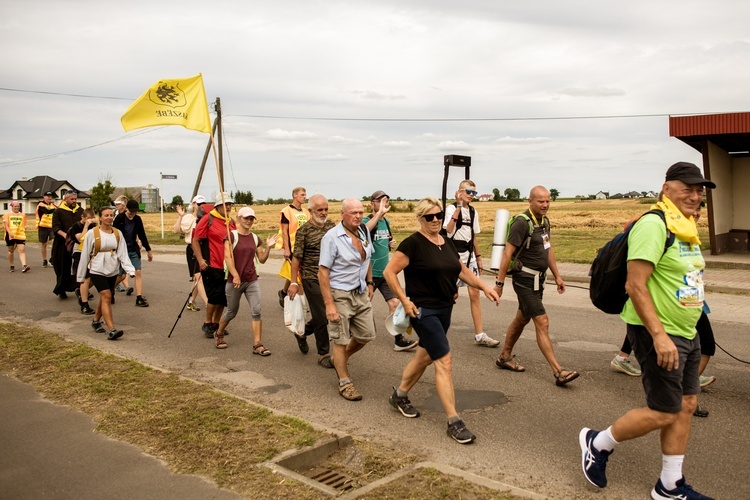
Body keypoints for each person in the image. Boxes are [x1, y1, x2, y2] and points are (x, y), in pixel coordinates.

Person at [579, 162, 715, 500]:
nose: (696, 194)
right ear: (667, 187)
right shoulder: (654, 225)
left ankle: (669, 485)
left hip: (686, 330)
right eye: (688, 187)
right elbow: (635, 285)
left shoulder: (683, 226)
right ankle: (597, 443)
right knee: (663, 410)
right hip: (659, 333)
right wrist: (658, 336)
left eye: (700, 190)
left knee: (685, 404)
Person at [383, 197, 500, 444]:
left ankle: (400, 395)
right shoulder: (412, 244)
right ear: (420, 219)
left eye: (438, 216)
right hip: (423, 311)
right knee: (444, 361)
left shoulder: (444, 241)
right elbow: (389, 272)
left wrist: (485, 287)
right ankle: (454, 422)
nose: (435, 220)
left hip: (445, 309)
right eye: (429, 217)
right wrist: (404, 300)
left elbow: (461, 270)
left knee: (425, 356)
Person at [493, 186, 579, 386]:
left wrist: (558, 276)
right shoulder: (522, 223)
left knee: (522, 318)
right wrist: (499, 283)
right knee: (542, 321)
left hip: (539, 280)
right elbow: (507, 254)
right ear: (530, 201)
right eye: (541, 201)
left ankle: (505, 357)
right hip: (524, 280)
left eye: (548, 201)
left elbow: (548, 250)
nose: (545, 205)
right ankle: (558, 371)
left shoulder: (544, 222)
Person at [318, 198, 375, 401]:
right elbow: (323, 272)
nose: (358, 216)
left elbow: (367, 259)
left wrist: (370, 283)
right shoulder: (331, 237)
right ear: (343, 214)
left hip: (359, 292)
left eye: (361, 212)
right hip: (339, 293)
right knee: (340, 339)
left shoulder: (364, 231)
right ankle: (344, 382)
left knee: (367, 334)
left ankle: (339, 358)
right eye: (354, 213)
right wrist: (329, 304)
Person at [444, 180, 500, 348]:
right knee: (450, 295)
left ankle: (479, 334)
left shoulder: (474, 212)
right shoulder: (451, 209)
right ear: (459, 192)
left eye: (474, 193)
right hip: (453, 256)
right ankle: (436, 330)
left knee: (474, 293)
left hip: (469, 257)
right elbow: (448, 229)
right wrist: (459, 207)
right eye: (468, 191)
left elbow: (473, 236)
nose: (471, 195)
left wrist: (479, 256)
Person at [214, 207, 278, 351]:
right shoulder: (231, 236)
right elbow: (227, 257)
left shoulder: (255, 238)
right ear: (239, 218)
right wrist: (235, 275)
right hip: (234, 281)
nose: (249, 221)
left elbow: (261, 259)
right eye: (246, 218)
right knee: (231, 311)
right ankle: (219, 333)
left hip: (251, 280)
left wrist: (268, 248)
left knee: (256, 311)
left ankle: (258, 344)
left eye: (251, 219)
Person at [363, 190, 418, 352]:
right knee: (362, 306)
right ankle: (350, 332)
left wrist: (390, 244)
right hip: (368, 273)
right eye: (379, 201)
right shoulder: (367, 221)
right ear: (372, 203)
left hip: (385, 272)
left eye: (385, 201)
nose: (383, 204)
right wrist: (378, 214)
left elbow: (381, 243)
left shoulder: (386, 223)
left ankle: (398, 340)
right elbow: (364, 232)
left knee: (394, 303)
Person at [288, 194, 336, 367]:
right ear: (310, 211)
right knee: (322, 314)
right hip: (311, 277)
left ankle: (303, 332)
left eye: (326, 209)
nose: (323, 213)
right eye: (320, 210)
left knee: (326, 312)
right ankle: (323, 354)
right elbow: (296, 259)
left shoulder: (332, 226)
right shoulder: (304, 231)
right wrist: (294, 282)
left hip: (330, 276)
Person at [76, 206, 136, 340]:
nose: (109, 218)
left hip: (112, 269)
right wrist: (80, 276)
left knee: (105, 298)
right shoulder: (92, 233)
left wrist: (130, 270)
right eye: (106, 215)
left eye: (111, 215)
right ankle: (111, 329)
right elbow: (85, 255)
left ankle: (96, 321)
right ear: (100, 218)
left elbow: (123, 254)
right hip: (97, 269)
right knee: (106, 295)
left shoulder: (117, 233)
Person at [192, 192, 235, 338]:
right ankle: (207, 322)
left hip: (227, 265)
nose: (229, 207)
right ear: (218, 206)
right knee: (214, 296)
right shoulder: (208, 219)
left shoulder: (231, 222)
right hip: (212, 264)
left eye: (230, 204)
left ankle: (217, 323)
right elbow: (195, 240)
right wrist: (200, 260)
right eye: (226, 204)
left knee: (224, 297)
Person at [113, 199, 153, 307]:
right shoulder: (120, 218)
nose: (133, 214)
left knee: (138, 272)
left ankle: (139, 298)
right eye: (131, 212)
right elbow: (114, 234)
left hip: (133, 249)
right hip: (121, 251)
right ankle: (110, 291)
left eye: (135, 212)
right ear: (127, 209)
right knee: (121, 276)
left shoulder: (137, 219)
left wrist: (148, 250)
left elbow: (142, 235)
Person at [276, 186, 309, 307]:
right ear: (295, 195)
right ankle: (301, 304)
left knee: (294, 273)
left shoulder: (306, 212)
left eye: (305, 195)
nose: (304, 197)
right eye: (302, 195)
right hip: (293, 248)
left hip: (304, 247)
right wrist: (287, 249)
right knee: (299, 276)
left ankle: (284, 292)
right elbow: (285, 231)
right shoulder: (287, 211)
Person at [174, 195, 208, 312]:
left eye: (203, 204)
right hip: (192, 248)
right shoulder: (189, 218)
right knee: (198, 277)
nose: (200, 206)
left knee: (198, 278)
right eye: (198, 204)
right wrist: (181, 216)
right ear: (193, 204)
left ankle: (191, 300)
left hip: (203, 248)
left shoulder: (206, 218)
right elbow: (179, 230)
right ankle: (208, 303)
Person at [51, 190, 83, 298]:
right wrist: (66, 236)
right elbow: (56, 228)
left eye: (75, 199)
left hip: (77, 244)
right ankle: (61, 289)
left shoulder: (80, 211)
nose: (74, 201)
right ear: (65, 199)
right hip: (62, 244)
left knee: (79, 267)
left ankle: (81, 289)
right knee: (62, 267)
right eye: (72, 199)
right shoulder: (58, 212)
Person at [69, 208, 97, 314]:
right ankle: (84, 305)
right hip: (79, 253)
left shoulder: (94, 226)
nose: (90, 221)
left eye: (91, 218)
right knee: (86, 278)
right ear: (83, 217)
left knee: (94, 277)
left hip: (91, 253)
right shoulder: (77, 226)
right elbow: (80, 239)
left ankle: (81, 292)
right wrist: (86, 226)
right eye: (88, 219)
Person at [4, 201, 30, 273]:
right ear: (12, 207)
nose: (17, 208)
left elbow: (24, 224)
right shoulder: (7, 215)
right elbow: (6, 225)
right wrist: (9, 232)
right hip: (10, 235)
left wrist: (24, 228)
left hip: (20, 235)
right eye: (15, 206)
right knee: (11, 251)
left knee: (22, 250)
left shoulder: (23, 215)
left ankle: (24, 266)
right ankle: (11, 266)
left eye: (18, 206)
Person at [36, 191, 57, 268]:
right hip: (43, 226)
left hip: (52, 227)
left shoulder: (53, 205)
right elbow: (46, 211)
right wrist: (55, 209)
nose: (49, 198)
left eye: (50, 196)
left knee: (54, 242)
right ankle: (44, 260)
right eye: (47, 196)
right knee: (44, 244)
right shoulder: (40, 205)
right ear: (44, 197)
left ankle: (52, 259)